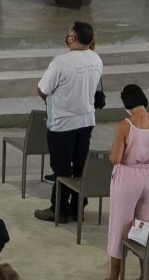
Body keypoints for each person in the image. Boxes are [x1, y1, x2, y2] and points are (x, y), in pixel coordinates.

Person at [105, 85, 149, 280]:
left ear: (126, 104)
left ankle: (114, 279)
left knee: (120, 226)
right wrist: (147, 155)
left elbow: (115, 158)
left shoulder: (124, 126)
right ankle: (144, 278)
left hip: (128, 175)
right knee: (145, 226)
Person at [35, 22, 103, 223]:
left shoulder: (61, 62)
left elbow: (43, 89)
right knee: (81, 165)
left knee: (61, 168)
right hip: (86, 120)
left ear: (72, 39)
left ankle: (59, 209)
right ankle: (78, 207)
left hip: (63, 123)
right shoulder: (96, 59)